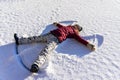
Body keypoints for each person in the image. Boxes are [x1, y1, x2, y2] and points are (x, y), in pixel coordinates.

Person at [14, 22, 95, 73]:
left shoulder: (74, 33)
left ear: (78, 29)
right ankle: (20, 41)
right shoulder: (67, 27)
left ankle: (36, 65)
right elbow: (61, 26)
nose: (76, 26)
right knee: (35, 38)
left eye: (77, 27)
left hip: (56, 39)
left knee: (46, 51)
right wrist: (56, 24)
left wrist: (88, 44)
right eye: (76, 25)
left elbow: (80, 39)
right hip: (50, 34)